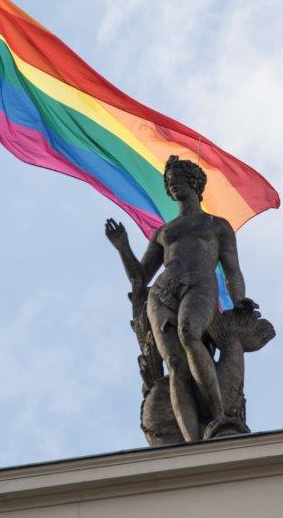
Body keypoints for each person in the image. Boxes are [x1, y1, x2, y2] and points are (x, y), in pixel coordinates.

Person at [105, 155, 257, 441]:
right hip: (163, 291)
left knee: (190, 334)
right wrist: (123, 247)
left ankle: (219, 417)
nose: (173, 184)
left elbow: (233, 270)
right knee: (175, 364)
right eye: (170, 182)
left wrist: (239, 301)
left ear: (195, 183)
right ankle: (190, 440)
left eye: (179, 179)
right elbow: (140, 278)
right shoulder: (164, 231)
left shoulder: (216, 225)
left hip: (199, 283)